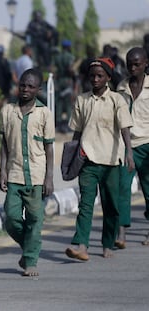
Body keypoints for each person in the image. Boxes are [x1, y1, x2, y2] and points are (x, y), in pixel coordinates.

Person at [65, 58, 134, 261]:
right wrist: (71, 156)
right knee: (85, 204)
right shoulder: (82, 100)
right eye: (92, 76)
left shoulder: (117, 100)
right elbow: (76, 132)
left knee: (110, 206)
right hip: (87, 161)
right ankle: (82, 246)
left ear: (108, 78)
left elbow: (124, 128)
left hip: (111, 162)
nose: (95, 79)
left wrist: (129, 153)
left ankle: (107, 243)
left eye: (99, 76)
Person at [0, 68, 55, 277]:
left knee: (34, 220)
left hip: (37, 175)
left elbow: (49, 147)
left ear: (38, 89)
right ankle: (29, 247)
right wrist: (2, 172)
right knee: (11, 217)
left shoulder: (44, 113)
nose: (25, 89)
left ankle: (30, 260)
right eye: (23, 85)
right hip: (14, 173)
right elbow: (4, 144)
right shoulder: (7, 111)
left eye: (31, 86)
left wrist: (49, 177)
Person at [117, 47, 149, 247]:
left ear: (146, 64)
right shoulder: (121, 88)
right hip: (125, 145)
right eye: (129, 64)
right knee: (121, 188)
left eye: (137, 64)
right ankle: (121, 234)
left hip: (147, 144)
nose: (133, 68)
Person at [54, 39, 77, 133]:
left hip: (59, 81)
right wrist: (74, 76)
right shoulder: (70, 56)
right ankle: (68, 125)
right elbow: (70, 69)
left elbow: (54, 70)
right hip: (67, 81)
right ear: (68, 47)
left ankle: (58, 124)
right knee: (68, 103)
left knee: (59, 103)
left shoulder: (57, 57)